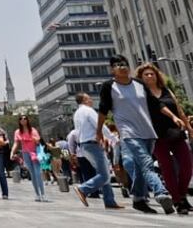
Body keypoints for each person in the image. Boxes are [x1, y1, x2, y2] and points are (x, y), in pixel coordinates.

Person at [96, 54, 174, 214]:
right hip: (128, 132)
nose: (122, 66)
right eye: (117, 64)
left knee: (139, 167)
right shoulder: (108, 86)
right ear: (112, 70)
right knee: (146, 163)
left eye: (124, 63)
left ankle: (138, 199)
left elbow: (155, 103)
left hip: (147, 131)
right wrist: (98, 132)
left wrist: (173, 116)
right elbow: (103, 110)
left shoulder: (139, 84)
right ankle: (161, 193)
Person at [136, 63, 193, 214]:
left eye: (152, 74)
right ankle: (177, 200)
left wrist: (188, 127)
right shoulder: (141, 95)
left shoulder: (167, 90)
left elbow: (179, 109)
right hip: (156, 136)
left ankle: (181, 196)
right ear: (141, 78)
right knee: (167, 168)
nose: (149, 76)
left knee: (187, 165)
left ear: (157, 76)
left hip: (175, 133)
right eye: (146, 74)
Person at [69, 92, 122, 210]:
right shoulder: (89, 111)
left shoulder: (77, 113)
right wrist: (113, 138)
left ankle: (109, 201)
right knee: (105, 174)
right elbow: (100, 125)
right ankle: (83, 189)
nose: (91, 100)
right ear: (83, 100)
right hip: (92, 144)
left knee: (102, 172)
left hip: (84, 145)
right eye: (88, 98)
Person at [10, 114, 48, 202]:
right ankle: (37, 194)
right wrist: (12, 152)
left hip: (34, 153)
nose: (23, 120)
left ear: (27, 120)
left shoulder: (33, 130)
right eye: (21, 119)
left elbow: (38, 141)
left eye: (25, 118)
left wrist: (35, 140)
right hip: (26, 154)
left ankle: (43, 194)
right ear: (19, 121)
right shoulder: (18, 132)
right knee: (32, 174)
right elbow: (16, 143)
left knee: (38, 173)